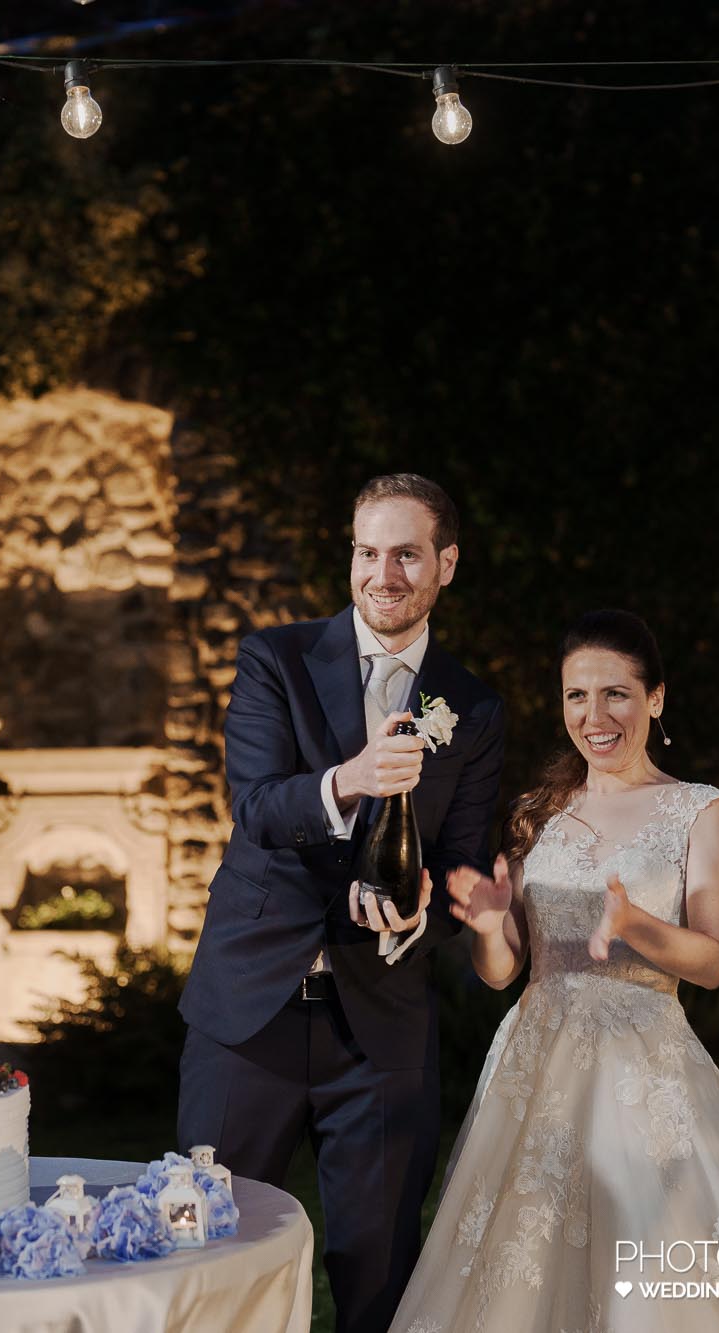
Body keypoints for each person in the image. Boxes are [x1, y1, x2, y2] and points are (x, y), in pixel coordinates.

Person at [391, 609, 719, 1332]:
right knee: (520, 1265)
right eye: (576, 696)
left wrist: (634, 923)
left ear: (655, 698)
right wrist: (492, 925)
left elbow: (712, 962)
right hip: (536, 1069)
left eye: (616, 693)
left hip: (641, 1070)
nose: (595, 715)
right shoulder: (540, 814)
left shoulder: (699, 811)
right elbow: (503, 975)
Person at [179, 474, 507, 1333]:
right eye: (368, 551)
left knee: (378, 1275)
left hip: (383, 1029)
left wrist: (432, 904)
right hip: (249, 1012)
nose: (383, 573)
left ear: (446, 564)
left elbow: (463, 859)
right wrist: (351, 780)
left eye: (406, 553)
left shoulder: (469, 707)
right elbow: (256, 806)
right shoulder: (275, 659)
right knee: (209, 1250)